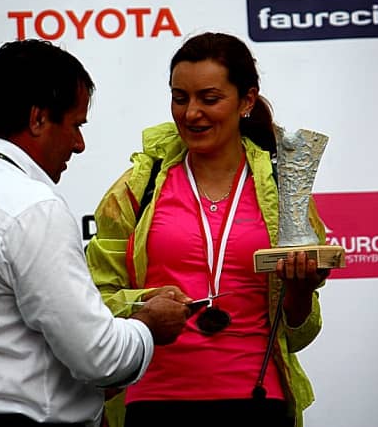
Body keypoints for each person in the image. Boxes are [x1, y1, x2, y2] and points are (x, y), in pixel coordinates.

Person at [0, 39, 190, 427]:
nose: (79, 144)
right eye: (76, 125)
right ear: (37, 119)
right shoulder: (32, 206)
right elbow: (99, 357)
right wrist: (149, 325)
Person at [86, 32, 328, 427]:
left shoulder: (285, 191)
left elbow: (298, 334)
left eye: (209, 99)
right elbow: (97, 301)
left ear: (246, 101)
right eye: (180, 98)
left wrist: (300, 291)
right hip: (154, 400)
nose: (191, 113)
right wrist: (145, 304)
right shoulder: (138, 187)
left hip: (257, 398)